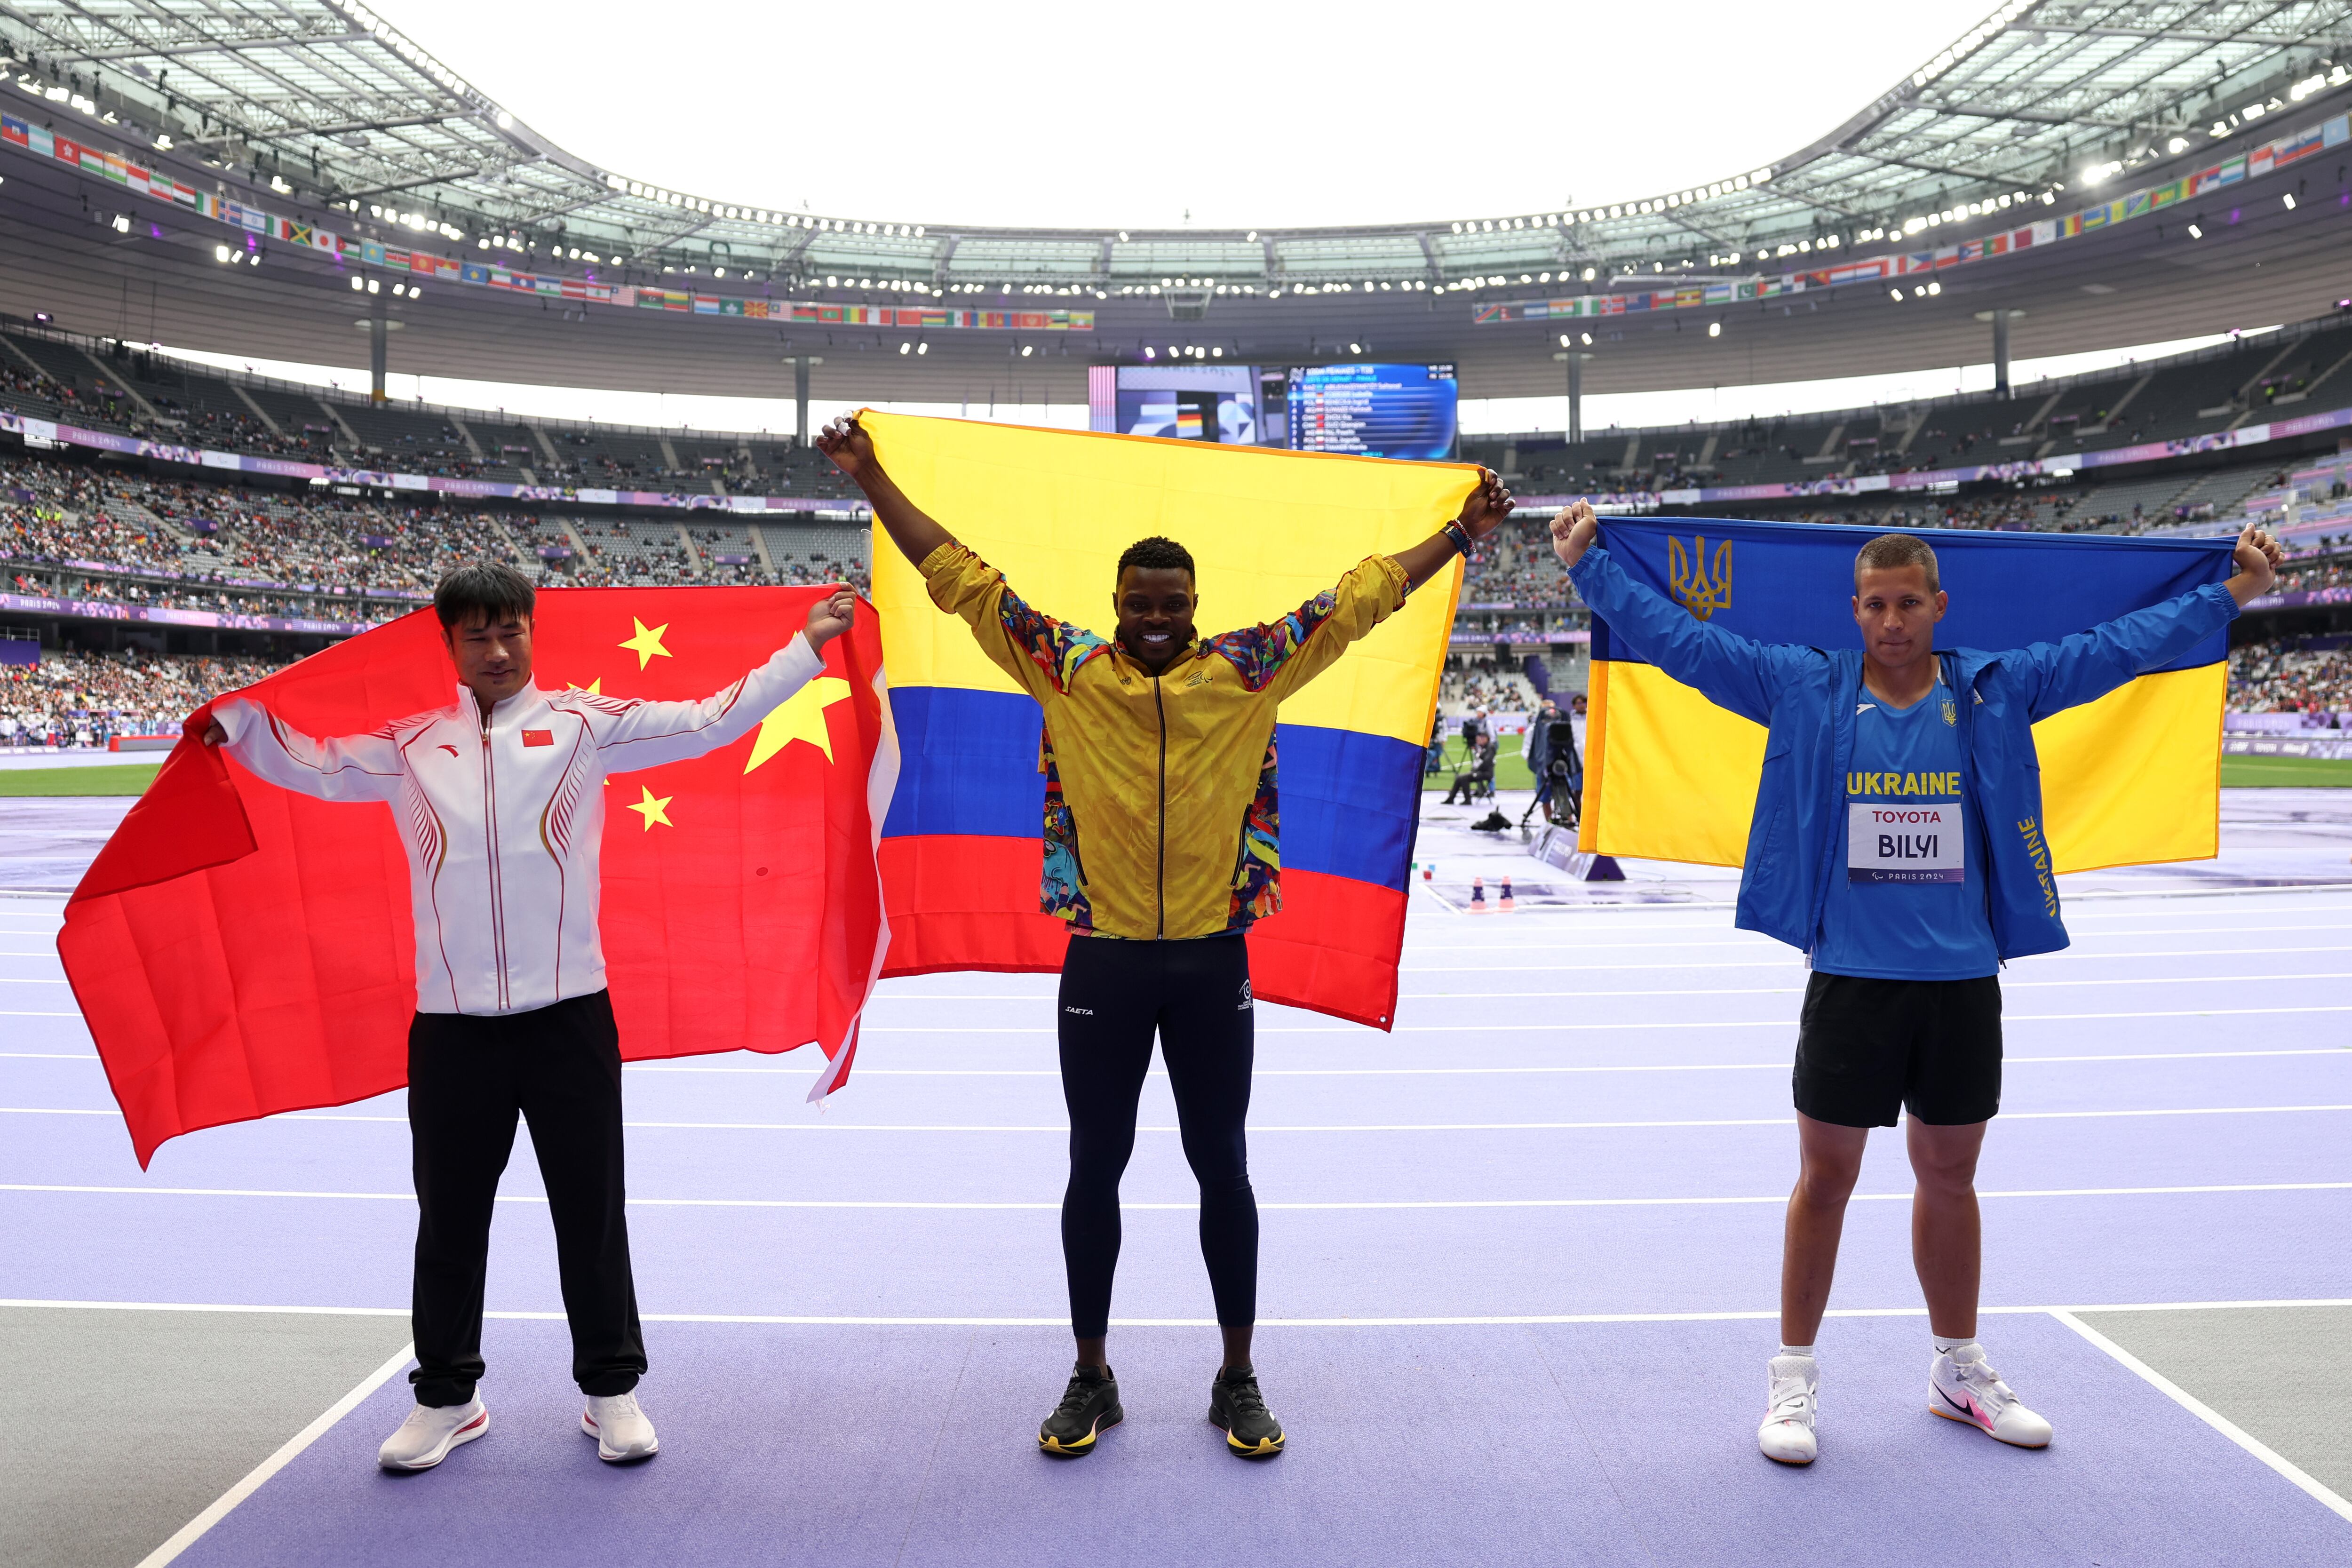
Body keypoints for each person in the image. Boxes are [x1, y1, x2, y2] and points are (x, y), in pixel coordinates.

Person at [818, 415, 1510, 1460]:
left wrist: (1459, 535)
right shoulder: (1063, 666)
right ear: (1115, 606)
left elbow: (1360, 598)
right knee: (1094, 1164)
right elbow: (957, 577)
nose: (1154, 617)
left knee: (1219, 1163)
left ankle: (1237, 1374)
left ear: (1195, 607)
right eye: (1139, 603)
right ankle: (1090, 1374)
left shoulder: (1247, 669)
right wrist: (870, 478)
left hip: (1208, 960)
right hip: (1100, 957)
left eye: (1171, 603)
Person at [1549, 503, 2282, 1466]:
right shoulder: (1803, 687)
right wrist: (1587, 567)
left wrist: (2236, 590)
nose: (1891, 620)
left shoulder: (1993, 690)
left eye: (1907, 603)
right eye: (1873, 605)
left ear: (1940, 605)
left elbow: (2119, 645)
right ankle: (1794, 1379)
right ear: (1852, 611)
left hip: (1961, 978)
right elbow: (1684, 644)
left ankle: (1955, 1367)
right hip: (1851, 979)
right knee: (1826, 1178)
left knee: (1950, 1176)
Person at [204, 561, 856, 1472]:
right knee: (450, 1215)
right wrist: (233, 723)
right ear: (451, 645)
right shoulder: (410, 745)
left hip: (568, 1019)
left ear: (531, 633)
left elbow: (713, 715)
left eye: (512, 629)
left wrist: (805, 647)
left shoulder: (583, 727)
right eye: (478, 634)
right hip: (452, 1027)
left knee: (589, 1210)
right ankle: (447, 1395)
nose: (499, 649)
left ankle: (610, 1388)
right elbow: (310, 764)